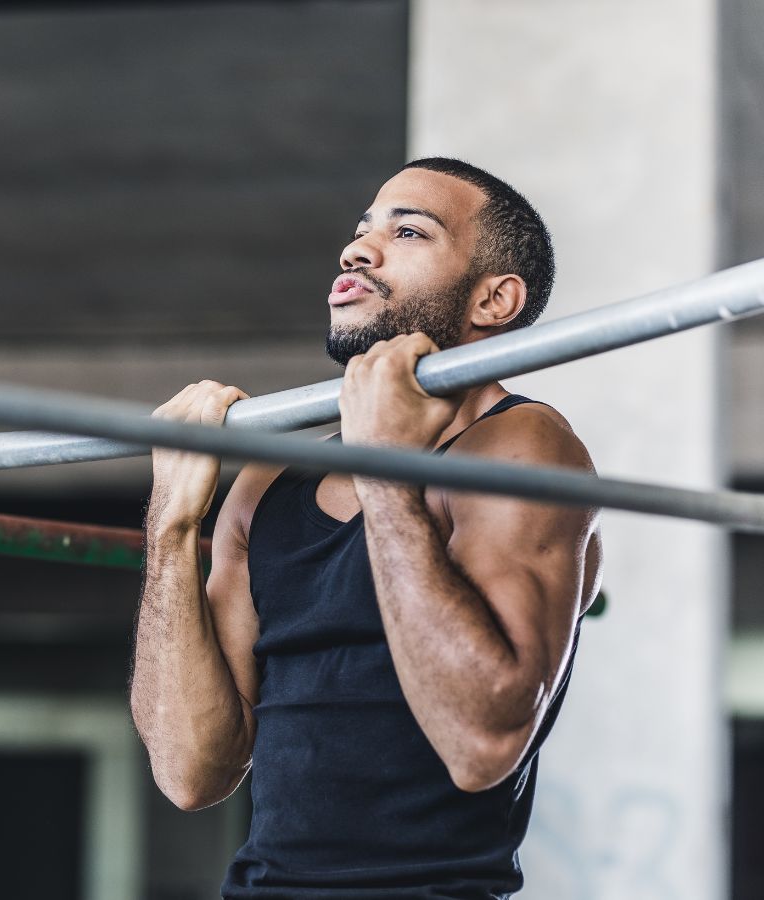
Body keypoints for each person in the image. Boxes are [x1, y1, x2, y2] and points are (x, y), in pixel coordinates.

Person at [128, 157, 604, 898]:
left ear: (494, 299)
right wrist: (172, 523)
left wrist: (387, 471)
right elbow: (192, 771)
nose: (358, 251)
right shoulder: (267, 485)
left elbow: (482, 745)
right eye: (361, 232)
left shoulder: (523, 446)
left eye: (408, 231)